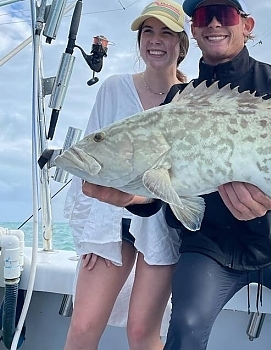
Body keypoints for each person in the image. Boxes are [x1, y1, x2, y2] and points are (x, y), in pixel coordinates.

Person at [83, 0, 271, 349]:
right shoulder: (177, 100)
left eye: (227, 14)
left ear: (247, 25)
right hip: (209, 251)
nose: (215, 23)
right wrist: (133, 198)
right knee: (185, 334)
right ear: (193, 29)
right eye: (204, 16)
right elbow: (162, 192)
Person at [63, 1, 189, 350]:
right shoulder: (114, 88)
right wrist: (86, 234)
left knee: (142, 333)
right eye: (147, 31)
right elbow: (88, 159)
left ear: (182, 43)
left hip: (161, 225)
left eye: (166, 32)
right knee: (84, 326)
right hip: (109, 221)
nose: (155, 40)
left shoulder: (191, 99)